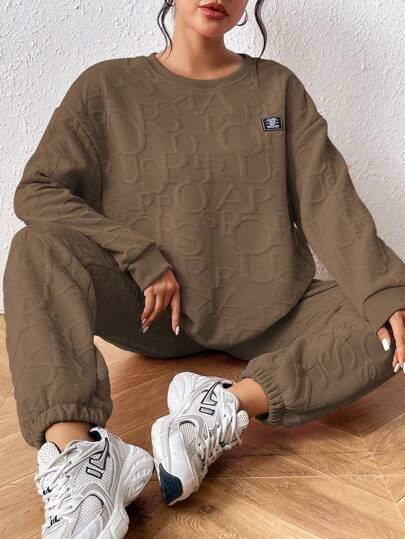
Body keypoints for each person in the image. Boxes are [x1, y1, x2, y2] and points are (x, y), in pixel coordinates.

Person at [3, 0, 405, 537]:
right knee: (36, 247)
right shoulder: (106, 87)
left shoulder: (277, 88)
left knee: (395, 309)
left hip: (272, 312)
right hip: (149, 312)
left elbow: (327, 202)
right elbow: (38, 192)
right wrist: (138, 254)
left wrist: (383, 291)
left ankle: (220, 409)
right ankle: (81, 459)